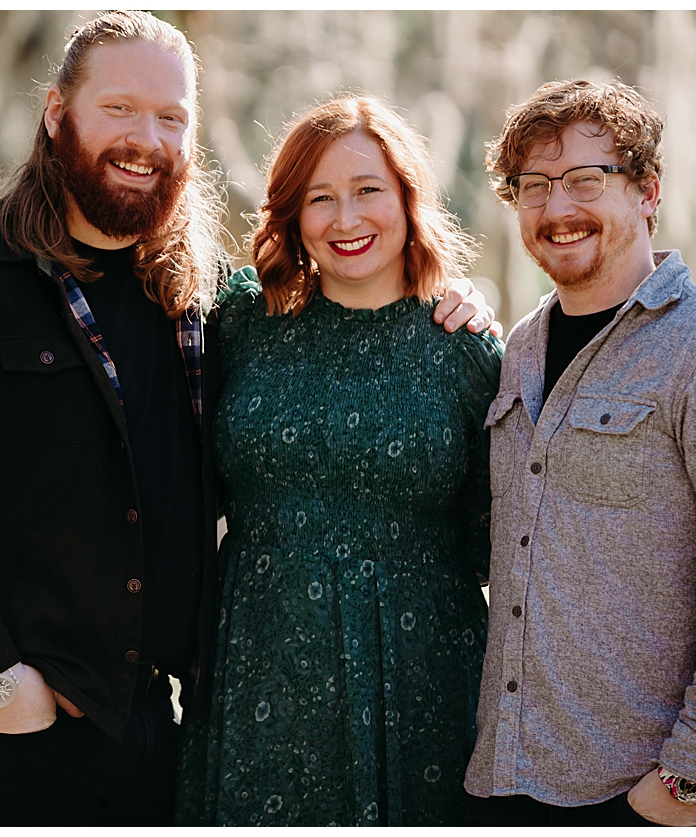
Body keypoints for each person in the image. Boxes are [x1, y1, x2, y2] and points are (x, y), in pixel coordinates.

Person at [0, 12, 493, 825]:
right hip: (7, 727)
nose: (144, 137)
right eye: (119, 108)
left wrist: (453, 300)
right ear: (57, 114)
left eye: (171, 117)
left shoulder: (192, 290)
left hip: (157, 721)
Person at [462, 80, 696, 827]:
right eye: (533, 187)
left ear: (647, 190)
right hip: (514, 784)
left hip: (652, 797)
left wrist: (686, 775)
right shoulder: (520, 347)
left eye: (587, 179)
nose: (558, 209)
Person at [174, 96, 500, 826]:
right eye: (320, 198)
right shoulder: (241, 323)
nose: (346, 220)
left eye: (367, 191)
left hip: (424, 679)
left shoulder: (468, 349)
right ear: (291, 214)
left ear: (409, 198)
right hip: (259, 665)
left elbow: (501, 541)